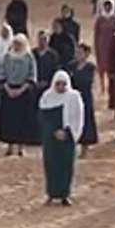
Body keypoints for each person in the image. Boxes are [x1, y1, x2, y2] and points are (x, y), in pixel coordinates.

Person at [37, 70, 84, 206]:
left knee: (66, 166)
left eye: (63, 84)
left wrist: (67, 132)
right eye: (58, 84)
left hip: (67, 138)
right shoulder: (47, 97)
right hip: (50, 138)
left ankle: (65, 194)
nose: (61, 87)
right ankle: (51, 194)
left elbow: (78, 117)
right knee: (51, 165)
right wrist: (53, 131)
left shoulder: (73, 97)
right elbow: (43, 118)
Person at [0, 34, 39, 157]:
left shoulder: (29, 57)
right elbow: (2, 74)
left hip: (23, 92)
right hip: (9, 91)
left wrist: (21, 90)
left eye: (19, 44)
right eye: (15, 43)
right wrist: (8, 89)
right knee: (9, 121)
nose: (17, 46)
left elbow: (32, 76)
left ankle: (20, 147)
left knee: (22, 121)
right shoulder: (7, 57)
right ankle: (10, 146)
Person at [67, 43, 98, 158]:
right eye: (77, 52)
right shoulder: (71, 66)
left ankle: (85, 148)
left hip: (85, 96)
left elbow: (88, 81)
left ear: (86, 54)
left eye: (80, 53)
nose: (78, 55)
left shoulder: (90, 67)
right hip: (73, 97)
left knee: (86, 120)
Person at [93, 0, 115, 95]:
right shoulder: (100, 20)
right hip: (101, 45)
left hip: (111, 45)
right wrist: (96, 45)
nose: (108, 8)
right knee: (101, 66)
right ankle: (102, 87)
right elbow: (96, 34)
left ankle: (110, 86)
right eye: (106, 6)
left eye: (109, 6)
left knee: (111, 66)